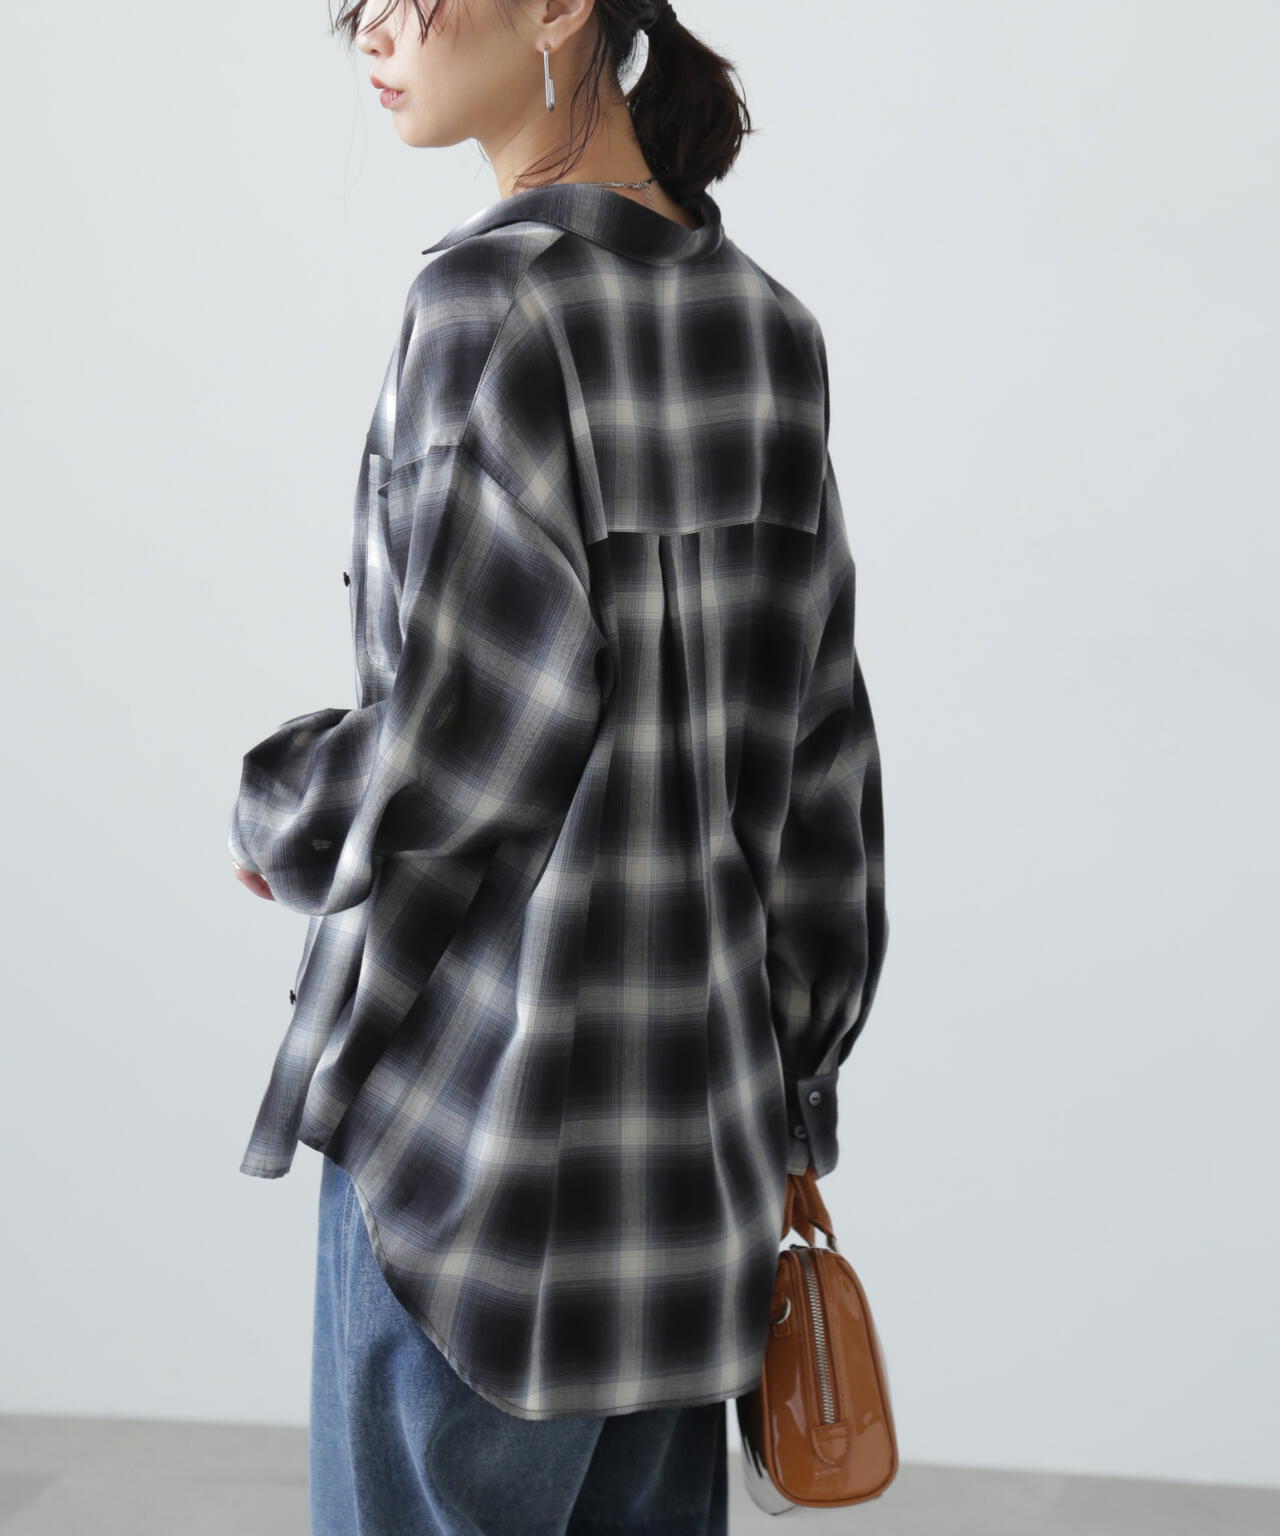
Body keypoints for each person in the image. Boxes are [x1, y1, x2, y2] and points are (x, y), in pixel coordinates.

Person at [226, 1, 890, 1531]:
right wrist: (792, 1086)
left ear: (557, 7)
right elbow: (825, 768)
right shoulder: (768, 327)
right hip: (692, 1166)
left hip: (478, 1162)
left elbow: (457, 745)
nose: (370, 30)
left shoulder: (488, 306)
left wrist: (282, 813)